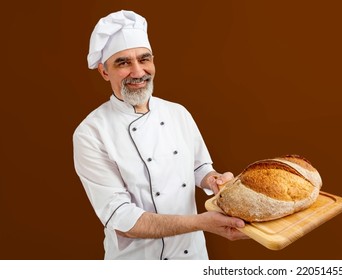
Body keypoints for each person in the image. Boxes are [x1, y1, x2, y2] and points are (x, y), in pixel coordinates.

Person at [73, 10, 247, 260]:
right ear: (103, 71)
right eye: (123, 62)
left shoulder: (178, 113)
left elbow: (199, 167)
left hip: (193, 258)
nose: (137, 71)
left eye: (144, 59)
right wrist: (201, 222)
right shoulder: (91, 133)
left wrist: (214, 180)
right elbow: (124, 221)